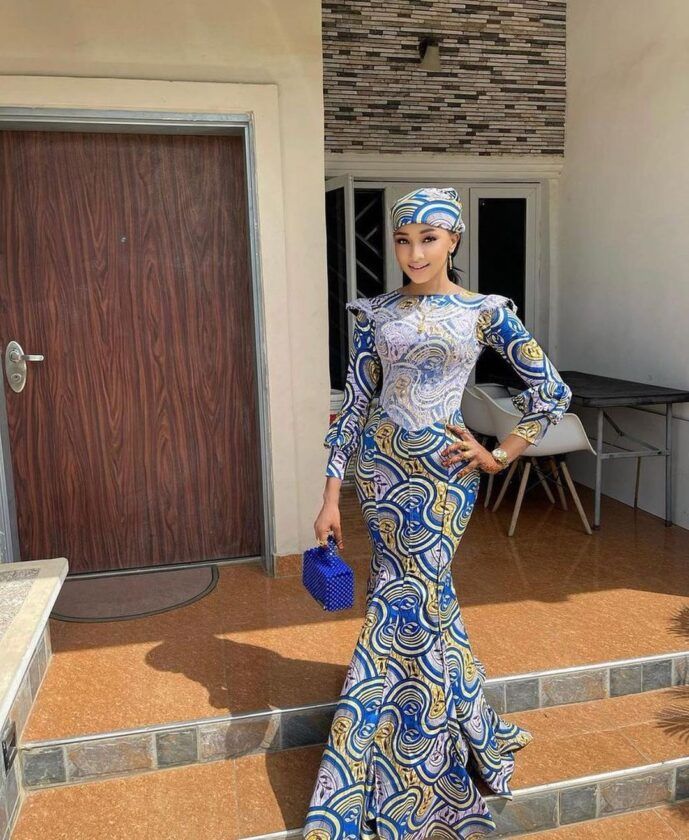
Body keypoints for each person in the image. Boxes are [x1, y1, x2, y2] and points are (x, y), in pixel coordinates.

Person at [303, 187, 572, 839]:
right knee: (421, 603)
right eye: (402, 239)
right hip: (380, 473)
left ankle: (390, 773)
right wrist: (330, 494)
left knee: (401, 603)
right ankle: (457, 732)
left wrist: (498, 454)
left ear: (453, 240)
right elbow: (355, 405)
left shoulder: (484, 311)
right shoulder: (374, 313)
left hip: (446, 477)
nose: (414, 252)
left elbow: (550, 390)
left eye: (428, 238)